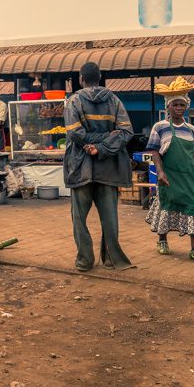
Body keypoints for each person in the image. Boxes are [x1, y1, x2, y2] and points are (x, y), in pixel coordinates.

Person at [63, 62, 135, 271]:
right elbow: (126, 132)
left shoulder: (73, 101)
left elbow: (74, 133)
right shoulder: (115, 100)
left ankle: (85, 260)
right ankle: (111, 259)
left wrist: (93, 144)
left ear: (81, 79)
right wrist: (104, 143)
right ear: (100, 77)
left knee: (79, 218)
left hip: (80, 166)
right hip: (108, 166)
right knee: (109, 217)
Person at [145, 94, 194, 264]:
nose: (179, 108)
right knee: (166, 205)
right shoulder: (160, 127)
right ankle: (162, 240)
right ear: (168, 106)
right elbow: (154, 151)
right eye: (175, 105)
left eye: (182, 105)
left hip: (190, 176)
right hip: (169, 175)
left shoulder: (191, 129)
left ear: (186, 106)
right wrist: (160, 171)